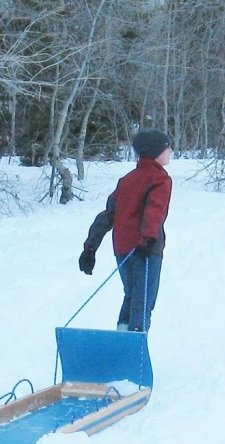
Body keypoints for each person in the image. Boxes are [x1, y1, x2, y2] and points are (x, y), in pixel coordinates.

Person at [79, 128, 173, 332]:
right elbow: (154, 210)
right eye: (167, 148)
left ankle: (122, 336)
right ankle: (134, 346)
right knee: (144, 300)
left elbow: (108, 215)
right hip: (145, 249)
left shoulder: (127, 180)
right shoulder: (160, 179)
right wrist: (148, 238)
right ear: (155, 152)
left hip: (123, 249)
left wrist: (90, 248)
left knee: (131, 294)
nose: (170, 152)